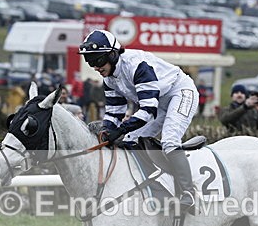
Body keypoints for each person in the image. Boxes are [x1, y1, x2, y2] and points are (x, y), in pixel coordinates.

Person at [78, 29, 199, 213]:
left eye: (98, 60)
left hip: (180, 92)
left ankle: (189, 193)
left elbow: (148, 109)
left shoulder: (136, 65)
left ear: (113, 54)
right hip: (158, 102)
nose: (95, 67)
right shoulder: (109, 79)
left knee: (170, 140)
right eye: (90, 61)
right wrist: (107, 131)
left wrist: (120, 130)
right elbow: (114, 113)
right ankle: (157, 187)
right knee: (129, 141)